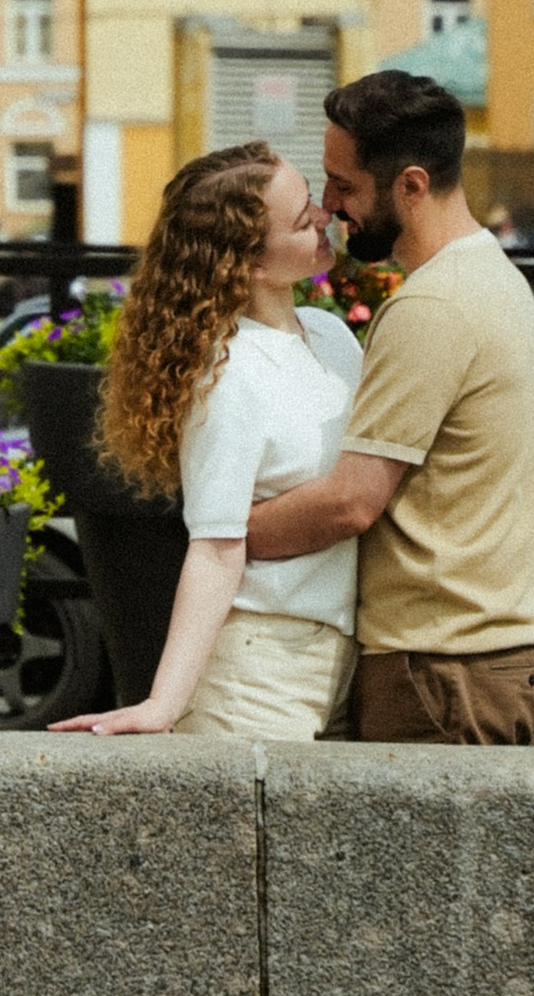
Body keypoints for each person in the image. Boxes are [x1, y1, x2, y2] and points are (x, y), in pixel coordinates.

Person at [243, 67, 534, 746]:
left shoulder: (431, 306)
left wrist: (218, 534)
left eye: (345, 185)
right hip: (479, 659)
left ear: (411, 185)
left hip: (440, 667)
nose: (328, 205)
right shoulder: (491, 275)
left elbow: (349, 502)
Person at [52, 142, 361, 742]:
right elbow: (216, 547)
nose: (325, 215)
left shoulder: (331, 335)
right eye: (303, 218)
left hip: (343, 660)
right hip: (257, 676)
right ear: (251, 263)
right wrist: (163, 704)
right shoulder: (228, 373)